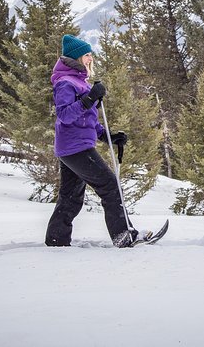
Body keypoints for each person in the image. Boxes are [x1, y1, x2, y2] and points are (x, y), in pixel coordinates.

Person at [45, 34, 150, 248]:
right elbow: (65, 115)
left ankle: (56, 240)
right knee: (110, 187)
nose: (90, 58)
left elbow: (86, 119)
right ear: (76, 57)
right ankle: (124, 236)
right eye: (86, 54)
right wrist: (90, 98)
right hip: (75, 148)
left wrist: (107, 135)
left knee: (70, 196)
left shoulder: (78, 81)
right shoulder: (65, 83)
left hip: (72, 147)